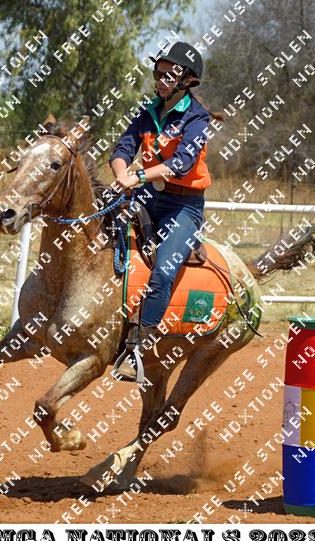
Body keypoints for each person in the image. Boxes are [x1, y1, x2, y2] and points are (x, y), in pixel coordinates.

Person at [108, 41, 224, 381]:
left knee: (162, 272)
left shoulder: (197, 118)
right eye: (158, 73)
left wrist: (137, 177)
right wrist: (121, 176)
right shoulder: (147, 111)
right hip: (145, 195)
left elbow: (181, 163)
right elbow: (122, 149)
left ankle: (137, 352)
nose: (160, 80)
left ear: (186, 80)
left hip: (183, 205)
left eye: (168, 75)